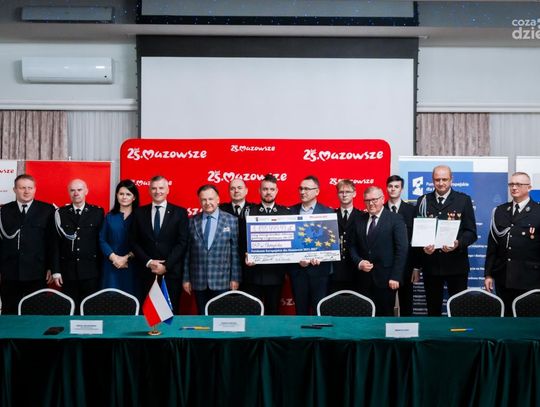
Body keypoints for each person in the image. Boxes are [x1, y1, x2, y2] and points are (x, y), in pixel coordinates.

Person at [414, 165, 477, 316]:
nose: (441, 183)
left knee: (458, 309)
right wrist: (423, 248)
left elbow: (471, 232)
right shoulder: (423, 200)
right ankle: (434, 332)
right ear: (432, 180)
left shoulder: (463, 200)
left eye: (444, 179)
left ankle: (458, 332)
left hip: (456, 265)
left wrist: (458, 243)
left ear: (451, 179)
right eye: (437, 180)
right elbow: (418, 231)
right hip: (431, 265)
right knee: (433, 310)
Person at [130, 175, 189, 314]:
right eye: (154, 188)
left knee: (170, 315)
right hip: (146, 273)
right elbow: (133, 241)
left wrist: (166, 265)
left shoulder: (180, 213)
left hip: (171, 273)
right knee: (148, 316)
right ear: (149, 190)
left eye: (161, 188)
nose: (157, 191)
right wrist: (149, 262)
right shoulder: (138, 213)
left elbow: (182, 242)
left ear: (168, 190)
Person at [485, 172, 540, 315]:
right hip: (504, 277)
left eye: (519, 184)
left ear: (529, 187)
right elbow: (493, 246)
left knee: (529, 320)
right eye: (511, 184)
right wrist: (488, 274)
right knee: (507, 319)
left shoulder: (537, 211)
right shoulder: (500, 211)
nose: (514, 187)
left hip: (530, 278)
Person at [0, 174, 55, 315]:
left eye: (30, 188)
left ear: (35, 189)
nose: (26, 191)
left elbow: (52, 242)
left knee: (36, 312)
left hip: (37, 271)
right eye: (22, 188)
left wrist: (51, 267)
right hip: (10, 272)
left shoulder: (47, 210)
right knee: (9, 312)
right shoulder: (4, 211)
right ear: (14, 189)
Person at [349, 186, 408, 316]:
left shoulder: (395, 219)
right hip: (363, 279)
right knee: (364, 316)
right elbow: (352, 246)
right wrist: (359, 262)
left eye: (374, 199)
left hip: (387, 280)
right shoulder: (359, 220)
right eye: (367, 200)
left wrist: (396, 276)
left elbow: (402, 249)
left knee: (384, 317)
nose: (371, 203)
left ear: (382, 199)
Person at [183, 184, 241, 314]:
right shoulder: (192, 221)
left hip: (222, 280)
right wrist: (186, 279)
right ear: (199, 201)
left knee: (221, 317)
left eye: (210, 199)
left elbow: (235, 253)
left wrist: (235, 278)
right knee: (202, 317)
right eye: (204, 199)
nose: (207, 202)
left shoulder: (231, 221)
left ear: (218, 199)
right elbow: (187, 254)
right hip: (198, 280)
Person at [52, 179, 104, 309]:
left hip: (91, 271)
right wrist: (56, 271)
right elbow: (55, 244)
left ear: (86, 191)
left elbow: (101, 242)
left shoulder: (97, 212)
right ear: (68, 192)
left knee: (90, 308)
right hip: (68, 272)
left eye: (79, 190)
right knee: (70, 308)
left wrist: (102, 270)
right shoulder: (60, 213)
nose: (76, 193)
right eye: (72, 190)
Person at [243, 174, 290, 315]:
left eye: (271, 189)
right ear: (259, 191)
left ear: (276, 191)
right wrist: (246, 255)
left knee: (273, 312)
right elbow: (242, 240)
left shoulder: (285, 213)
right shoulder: (249, 211)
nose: (268, 192)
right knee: (253, 313)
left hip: (276, 274)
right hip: (253, 273)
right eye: (265, 189)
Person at [289, 175, 334, 315]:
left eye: (307, 189)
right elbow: (287, 241)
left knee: (318, 313)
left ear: (317, 191)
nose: (303, 192)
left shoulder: (328, 212)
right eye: (301, 188)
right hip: (298, 272)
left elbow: (330, 242)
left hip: (320, 272)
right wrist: (297, 259)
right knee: (300, 312)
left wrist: (322, 256)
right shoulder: (290, 212)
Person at [99, 179, 140, 298]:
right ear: (116, 195)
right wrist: (114, 258)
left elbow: (143, 242)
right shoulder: (109, 217)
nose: (124, 197)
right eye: (121, 194)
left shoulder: (140, 217)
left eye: (128, 194)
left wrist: (126, 258)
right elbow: (102, 239)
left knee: (132, 299)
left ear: (134, 197)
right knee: (110, 300)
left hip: (133, 266)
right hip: (111, 266)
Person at [384, 175, 417, 316]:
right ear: (386, 188)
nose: (393, 189)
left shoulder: (411, 210)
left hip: (406, 266)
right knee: (385, 307)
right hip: (385, 267)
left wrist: (416, 267)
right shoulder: (380, 209)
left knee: (407, 306)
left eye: (396, 186)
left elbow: (416, 241)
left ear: (401, 189)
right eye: (390, 186)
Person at [330, 179, 362, 293]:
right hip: (335, 270)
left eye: (348, 192)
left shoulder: (362, 216)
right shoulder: (331, 216)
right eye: (341, 192)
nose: (344, 195)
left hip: (356, 269)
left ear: (354, 193)